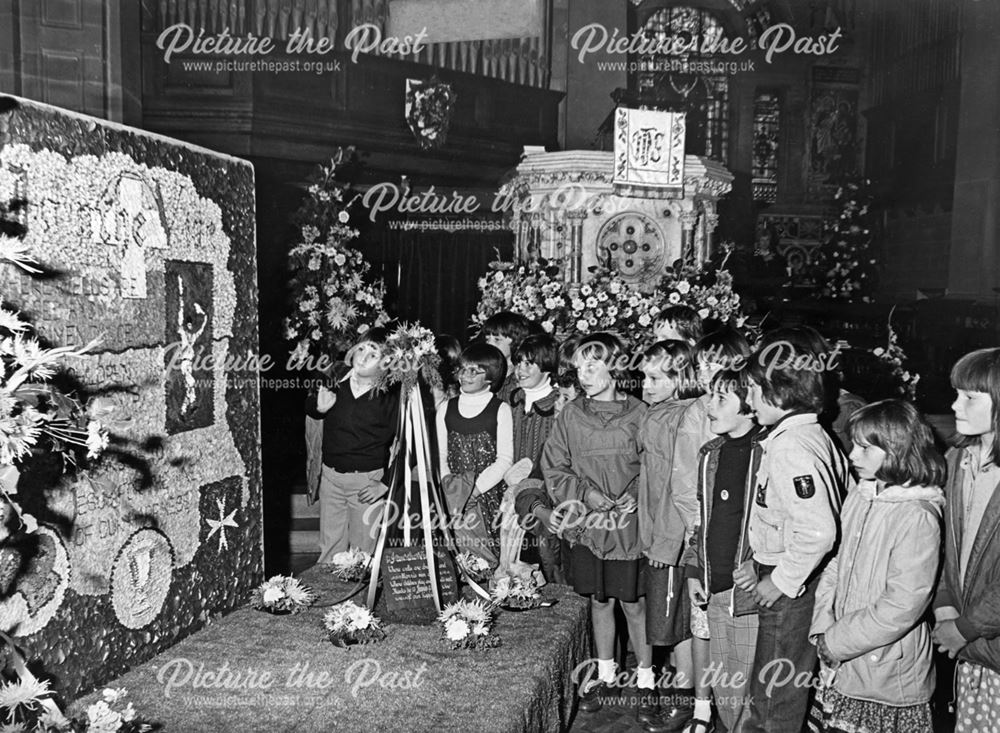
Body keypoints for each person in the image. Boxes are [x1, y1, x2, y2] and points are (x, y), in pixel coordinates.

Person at [733, 335, 850, 733]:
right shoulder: (803, 437)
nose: (748, 400)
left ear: (779, 392)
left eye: (752, 389)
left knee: (773, 694)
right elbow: (783, 516)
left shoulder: (792, 448)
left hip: (793, 588)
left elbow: (818, 530)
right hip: (787, 573)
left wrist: (780, 580)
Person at [810, 399, 943, 733]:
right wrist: (823, 624)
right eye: (854, 445)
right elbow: (837, 564)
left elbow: (902, 606)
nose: (852, 456)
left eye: (865, 449)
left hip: (885, 670)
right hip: (842, 659)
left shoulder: (917, 516)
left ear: (897, 451)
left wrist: (838, 640)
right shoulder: (861, 494)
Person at [649, 327, 752, 733]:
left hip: (743, 543)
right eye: (703, 362)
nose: (708, 370)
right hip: (705, 537)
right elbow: (683, 480)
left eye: (718, 362)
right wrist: (698, 532)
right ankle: (703, 708)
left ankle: (738, 713)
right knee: (702, 626)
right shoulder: (697, 413)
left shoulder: (750, 413)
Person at [541, 333, 649, 714]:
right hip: (589, 526)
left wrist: (638, 490)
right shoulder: (571, 414)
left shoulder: (641, 412)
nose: (583, 375)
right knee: (599, 601)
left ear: (616, 366)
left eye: (593, 365)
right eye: (579, 367)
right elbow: (554, 465)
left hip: (629, 528)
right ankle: (606, 678)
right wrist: (585, 494)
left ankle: (647, 682)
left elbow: (655, 465)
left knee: (633, 603)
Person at [681, 368, 763, 733]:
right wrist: (694, 570)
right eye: (709, 396)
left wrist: (761, 567)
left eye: (720, 399)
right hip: (713, 584)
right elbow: (701, 519)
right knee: (725, 685)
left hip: (748, 593)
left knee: (748, 685)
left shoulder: (767, 453)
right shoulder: (710, 453)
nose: (709, 406)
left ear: (750, 407)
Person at [932, 348, 1000, 732]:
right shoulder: (957, 457)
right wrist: (944, 607)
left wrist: (965, 627)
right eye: (956, 392)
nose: (955, 404)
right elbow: (940, 542)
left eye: (970, 396)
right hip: (969, 649)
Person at [635, 340, 700, 726]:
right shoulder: (658, 411)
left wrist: (668, 541)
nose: (646, 384)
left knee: (678, 625)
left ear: (682, 378)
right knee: (669, 623)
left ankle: (684, 698)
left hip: (670, 540)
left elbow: (684, 487)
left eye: (656, 378)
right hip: (654, 532)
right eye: (644, 376)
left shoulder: (686, 416)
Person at [305, 327, 399, 562]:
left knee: (362, 553)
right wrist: (318, 408)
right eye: (361, 348)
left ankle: (359, 597)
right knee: (329, 548)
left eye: (373, 353)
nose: (364, 356)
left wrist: (385, 483)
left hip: (367, 482)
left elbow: (409, 444)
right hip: (331, 478)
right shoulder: (335, 381)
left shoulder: (391, 398)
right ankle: (332, 594)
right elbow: (310, 407)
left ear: (386, 363)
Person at [436, 343, 513, 563]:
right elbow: (440, 455)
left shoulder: (500, 409)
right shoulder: (445, 408)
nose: (465, 375)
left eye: (474, 371)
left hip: (487, 494)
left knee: (486, 555)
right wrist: (452, 491)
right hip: (452, 494)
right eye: (463, 369)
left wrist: (474, 491)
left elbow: (505, 460)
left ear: (490, 376)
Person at [507, 334, 565, 583]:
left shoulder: (559, 405)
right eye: (519, 363)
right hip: (508, 493)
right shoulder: (510, 400)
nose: (521, 370)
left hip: (541, 495)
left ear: (547, 365)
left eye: (529, 364)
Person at [481, 311, 533, 403]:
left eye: (497, 340)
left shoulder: (519, 375)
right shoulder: (484, 369)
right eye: (487, 339)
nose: (489, 344)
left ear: (516, 342)